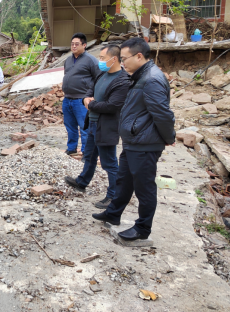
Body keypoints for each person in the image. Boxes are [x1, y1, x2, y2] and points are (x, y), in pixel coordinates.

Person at [92, 38, 175, 241]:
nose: (122, 63)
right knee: (124, 180)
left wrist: (168, 137)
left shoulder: (152, 79)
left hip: (145, 142)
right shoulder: (139, 76)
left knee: (144, 187)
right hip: (134, 140)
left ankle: (142, 229)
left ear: (139, 56)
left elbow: (162, 114)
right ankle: (113, 213)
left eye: (124, 58)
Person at [64, 45, 129, 208]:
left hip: (107, 126)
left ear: (114, 59)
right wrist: (86, 99)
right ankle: (82, 181)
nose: (99, 61)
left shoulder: (123, 81)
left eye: (102, 58)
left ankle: (114, 196)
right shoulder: (102, 74)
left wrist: (91, 104)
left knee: (109, 162)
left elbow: (112, 106)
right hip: (93, 122)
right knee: (90, 155)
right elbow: (90, 91)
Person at [62, 33, 100, 156]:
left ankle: (86, 151)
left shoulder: (90, 60)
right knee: (70, 126)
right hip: (68, 98)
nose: (74, 46)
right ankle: (71, 148)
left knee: (85, 127)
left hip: (82, 99)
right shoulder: (68, 60)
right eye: (72, 44)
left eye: (77, 44)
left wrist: (91, 96)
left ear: (84, 45)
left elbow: (98, 78)